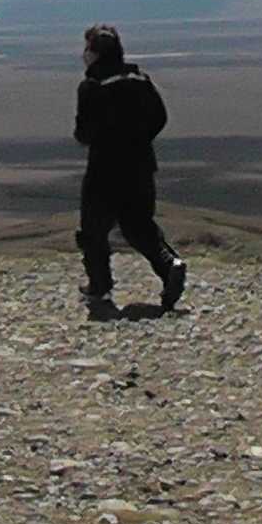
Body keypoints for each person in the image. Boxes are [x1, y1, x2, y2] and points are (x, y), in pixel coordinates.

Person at [72, 23, 185, 312]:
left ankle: (100, 286)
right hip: (140, 166)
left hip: (104, 170)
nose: (84, 55)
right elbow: (160, 117)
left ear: (95, 53)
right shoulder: (140, 80)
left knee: (93, 230)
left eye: (87, 49)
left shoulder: (92, 86)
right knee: (139, 226)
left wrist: (101, 139)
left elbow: (84, 132)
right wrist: (139, 140)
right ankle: (170, 264)